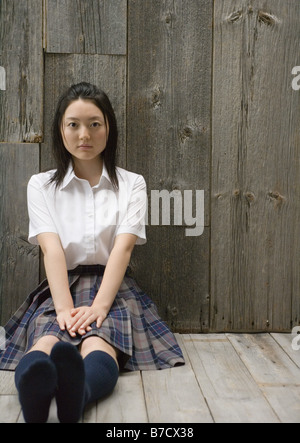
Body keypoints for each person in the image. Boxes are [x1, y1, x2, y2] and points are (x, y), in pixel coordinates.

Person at [0, 82, 184, 423]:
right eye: (73, 124)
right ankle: (34, 399)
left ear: (108, 128)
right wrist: (65, 309)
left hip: (113, 287)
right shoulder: (41, 186)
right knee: (45, 338)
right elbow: (51, 250)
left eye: (94, 124)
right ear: (61, 129)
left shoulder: (132, 184)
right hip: (60, 287)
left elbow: (123, 248)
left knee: (100, 340)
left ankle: (77, 395)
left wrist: (99, 306)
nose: (84, 134)